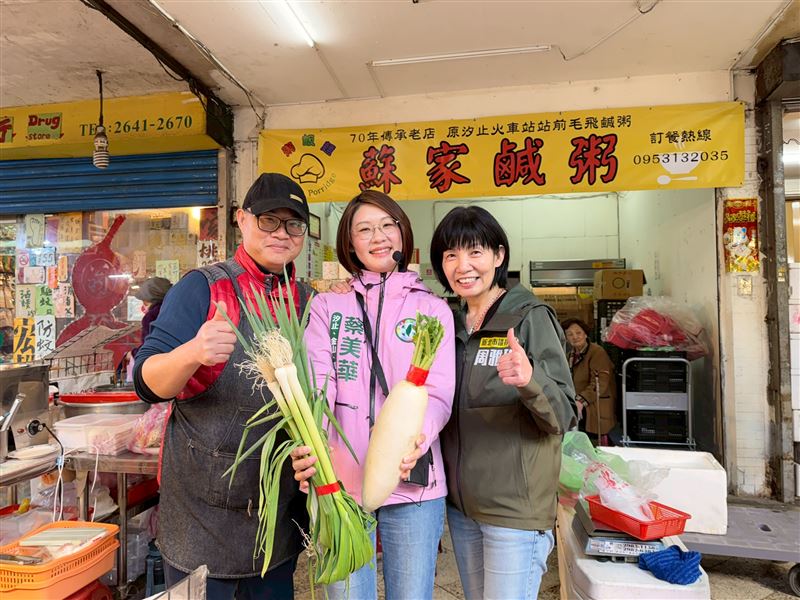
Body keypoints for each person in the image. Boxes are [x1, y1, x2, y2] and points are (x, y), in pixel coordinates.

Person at [133, 173, 312, 599]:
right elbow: (146, 381)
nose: (281, 233)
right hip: (201, 520)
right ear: (242, 220)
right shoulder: (202, 287)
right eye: (269, 220)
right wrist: (192, 351)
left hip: (274, 517)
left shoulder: (305, 300)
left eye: (293, 224)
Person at [291, 190, 455, 600]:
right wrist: (313, 445)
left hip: (412, 478)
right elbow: (317, 386)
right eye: (365, 229)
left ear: (403, 234)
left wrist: (422, 436)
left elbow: (438, 393)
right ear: (349, 243)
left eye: (388, 225)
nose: (378, 237)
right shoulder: (328, 306)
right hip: (341, 481)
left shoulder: (432, 310)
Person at [429, 206, 576, 600]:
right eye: (451, 255)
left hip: (514, 512)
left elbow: (563, 413)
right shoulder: (449, 325)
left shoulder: (529, 318)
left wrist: (531, 381)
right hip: (462, 510)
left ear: (498, 255)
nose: (463, 266)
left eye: (474, 252)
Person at [561, 317, 617, 445]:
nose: (575, 337)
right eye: (570, 334)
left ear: (585, 334)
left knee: (596, 445)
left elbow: (599, 383)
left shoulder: (597, 352)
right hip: (579, 408)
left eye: (578, 333)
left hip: (595, 406)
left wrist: (580, 401)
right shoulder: (570, 355)